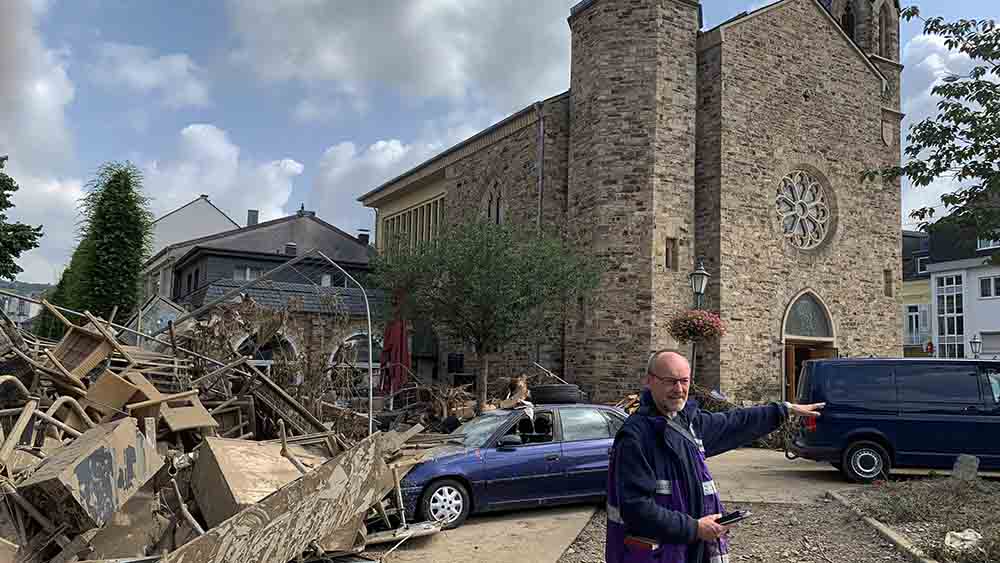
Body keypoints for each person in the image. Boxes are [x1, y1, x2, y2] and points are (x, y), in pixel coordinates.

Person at [605, 351, 824, 563]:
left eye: (684, 381)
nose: (679, 389)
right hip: (659, 555)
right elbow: (636, 509)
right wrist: (696, 528)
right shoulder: (635, 437)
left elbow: (736, 422)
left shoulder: (689, 423)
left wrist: (784, 409)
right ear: (649, 381)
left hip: (691, 550)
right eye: (670, 381)